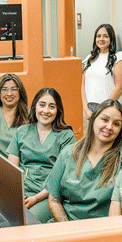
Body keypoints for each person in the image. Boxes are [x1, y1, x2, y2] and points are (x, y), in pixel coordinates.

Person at [46, 99, 122, 221]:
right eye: (104, 120)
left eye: (116, 124)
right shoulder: (69, 153)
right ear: (94, 119)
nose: (109, 127)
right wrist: (68, 229)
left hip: (102, 231)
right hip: (66, 226)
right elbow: (54, 199)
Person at [7, 88, 75, 223]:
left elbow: (61, 178)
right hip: (22, 191)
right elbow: (11, 170)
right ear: (34, 107)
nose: (46, 111)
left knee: (25, 220)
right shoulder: (22, 131)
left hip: (49, 195)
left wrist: (36, 198)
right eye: (42, 105)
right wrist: (17, 193)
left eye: (52, 106)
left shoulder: (66, 136)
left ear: (58, 110)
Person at [82, 24, 122, 120]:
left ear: (111, 39)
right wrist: (86, 109)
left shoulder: (118, 58)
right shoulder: (89, 58)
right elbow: (82, 85)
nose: (101, 39)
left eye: (106, 36)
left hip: (109, 107)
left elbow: (119, 87)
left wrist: (103, 109)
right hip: (89, 109)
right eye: (98, 36)